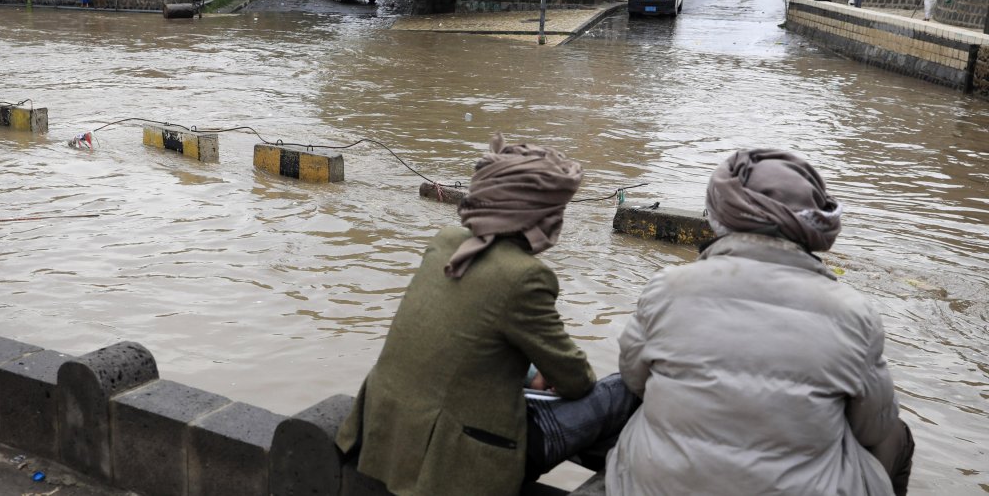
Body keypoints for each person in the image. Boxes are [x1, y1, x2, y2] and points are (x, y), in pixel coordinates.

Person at [336, 134, 638, 496]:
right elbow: (576, 380)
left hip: (387, 431)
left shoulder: (446, 239)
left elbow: (470, 342)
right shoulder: (526, 276)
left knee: (513, 365)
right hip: (454, 454)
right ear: (542, 215)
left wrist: (533, 372)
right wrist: (542, 373)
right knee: (624, 387)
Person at [607, 149, 915, 496]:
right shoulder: (855, 313)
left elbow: (633, 378)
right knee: (897, 436)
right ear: (815, 227)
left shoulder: (667, 286)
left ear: (721, 216)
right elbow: (874, 427)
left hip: (652, 486)